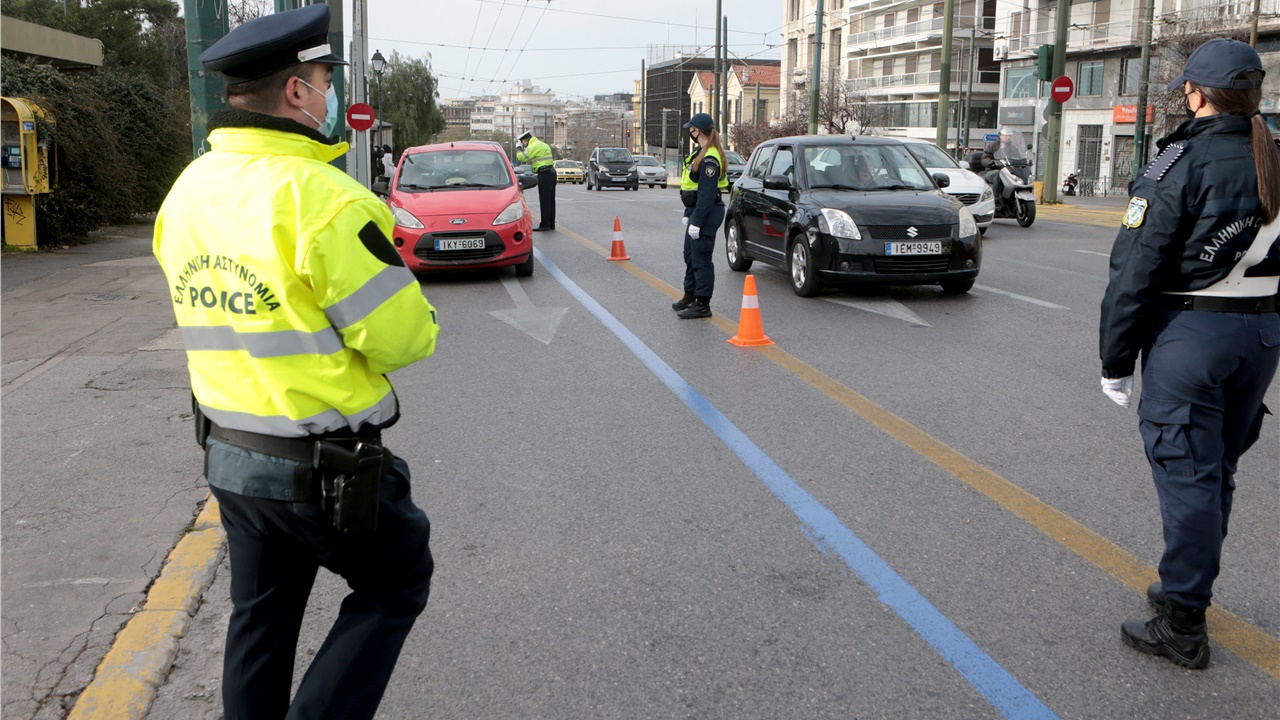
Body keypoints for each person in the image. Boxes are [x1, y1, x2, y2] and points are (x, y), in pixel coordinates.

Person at [152, 6, 440, 718]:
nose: (328, 93)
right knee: (396, 582)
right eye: (322, 79)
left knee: (261, 620)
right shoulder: (326, 199)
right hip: (325, 472)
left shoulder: (189, 190)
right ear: (296, 94)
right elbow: (404, 339)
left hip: (232, 458)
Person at [1098, 37, 1280, 670]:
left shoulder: (1182, 161)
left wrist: (1116, 358)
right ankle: (1187, 584)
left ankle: (1183, 622)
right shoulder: (1273, 155)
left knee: (1190, 476)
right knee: (1215, 469)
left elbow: (1136, 266)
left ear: (1196, 94)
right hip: (1258, 336)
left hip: (1193, 337)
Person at [672, 113, 728, 319]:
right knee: (690, 255)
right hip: (697, 211)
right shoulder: (701, 152)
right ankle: (690, 295)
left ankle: (703, 304)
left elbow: (707, 193)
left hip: (706, 211)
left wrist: (697, 220)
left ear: (697, 131)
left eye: (691, 129)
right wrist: (689, 214)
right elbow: (693, 188)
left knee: (701, 258)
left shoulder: (710, 158)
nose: (690, 133)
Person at [516, 130, 555, 231]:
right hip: (552, 172)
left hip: (544, 173)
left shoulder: (534, 146)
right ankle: (551, 224)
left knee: (544, 200)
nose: (524, 146)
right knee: (551, 200)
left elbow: (522, 157)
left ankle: (545, 225)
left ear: (525, 141)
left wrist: (518, 148)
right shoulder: (543, 145)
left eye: (523, 143)